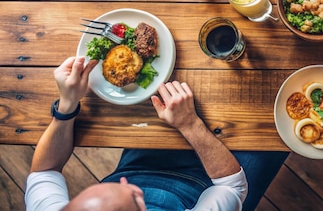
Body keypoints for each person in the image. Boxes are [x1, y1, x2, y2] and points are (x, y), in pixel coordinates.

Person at [25, 57, 287, 211]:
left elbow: (44, 171)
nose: (128, 184)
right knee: (278, 128)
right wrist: (189, 124)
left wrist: (67, 104)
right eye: (137, 200)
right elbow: (232, 185)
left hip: (141, 164)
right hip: (213, 185)